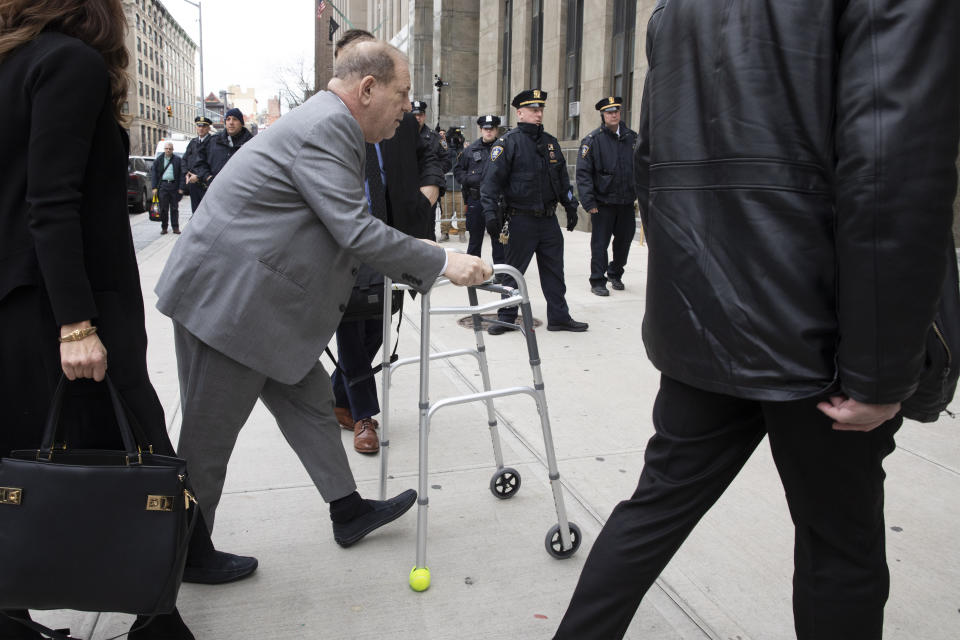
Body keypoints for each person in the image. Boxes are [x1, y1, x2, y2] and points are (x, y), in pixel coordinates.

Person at [554, 2, 959, 639]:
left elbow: (652, 167)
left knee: (653, 512)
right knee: (839, 550)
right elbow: (894, 176)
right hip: (821, 337)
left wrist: (691, 298)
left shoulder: (675, 10)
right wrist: (879, 374)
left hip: (707, 321)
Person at [155, 41, 491, 550]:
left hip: (261, 307)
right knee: (206, 442)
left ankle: (347, 510)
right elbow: (354, 232)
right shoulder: (327, 126)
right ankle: (179, 559)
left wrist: (415, 246)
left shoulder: (330, 121)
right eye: (401, 95)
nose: (407, 108)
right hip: (227, 305)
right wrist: (443, 261)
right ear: (368, 89)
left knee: (312, 404)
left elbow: (335, 223)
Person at [0, 1, 255, 639]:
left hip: (24, 298)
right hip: (68, 303)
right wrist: (77, 325)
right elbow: (52, 202)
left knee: (38, 457)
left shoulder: (15, 63)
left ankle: (176, 568)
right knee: (132, 446)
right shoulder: (70, 63)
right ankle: (162, 607)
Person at [329, 29, 445, 453]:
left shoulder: (396, 116)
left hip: (392, 240)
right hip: (346, 246)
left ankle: (339, 397)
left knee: (376, 333)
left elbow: (430, 154)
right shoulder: (332, 121)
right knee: (350, 331)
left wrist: (426, 196)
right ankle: (364, 417)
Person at [481, 89, 588, 335]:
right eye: (533, 109)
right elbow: (490, 184)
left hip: (548, 221)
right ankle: (507, 317)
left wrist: (570, 206)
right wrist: (489, 214)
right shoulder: (507, 143)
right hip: (521, 220)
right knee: (513, 274)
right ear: (519, 113)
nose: (538, 113)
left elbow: (562, 179)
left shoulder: (550, 142)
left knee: (554, 272)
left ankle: (559, 317)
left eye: (540, 109)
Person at [575, 97, 637, 296]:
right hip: (603, 203)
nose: (614, 114)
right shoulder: (592, 140)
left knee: (624, 241)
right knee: (600, 244)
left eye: (616, 111)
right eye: (609, 112)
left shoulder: (633, 138)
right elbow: (583, 173)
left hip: (627, 202)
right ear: (603, 115)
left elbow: (643, 168)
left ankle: (615, 273)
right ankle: (597, 280)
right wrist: (588, 201)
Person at [455, 115, 505, 264]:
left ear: (496, 130)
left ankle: (501, 273)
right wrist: (470, 180)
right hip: (476, 200)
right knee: (475, 239)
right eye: (485, 129)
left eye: (492, 129)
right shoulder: (470, 150)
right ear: (481, 130)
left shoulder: (504, 147)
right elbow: (458, 170)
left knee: (499, 240)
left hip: (497, 201)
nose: (488, 132)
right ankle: (473, 270)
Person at [411, 101, 450, 240]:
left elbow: (447, 161)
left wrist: (432, 175)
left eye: (420, 115)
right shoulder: (400, 135)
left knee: (427, 229)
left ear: (425, 116)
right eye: (414, 115)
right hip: (407, 189)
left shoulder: (435, 137)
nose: (417, 118)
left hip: (428, 189)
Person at [195, 107, 251, 188]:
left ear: (241, 123)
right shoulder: (213, 141)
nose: (231, 123)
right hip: (215, 190)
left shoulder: (250, 143)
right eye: (228, 119)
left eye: (235, 119)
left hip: (240, 192)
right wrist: (208, 177)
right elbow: (200, 162)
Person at [180, 115, 213, 212]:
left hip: (205, 183)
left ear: (208, 128)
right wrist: (186, 173)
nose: (201, 128)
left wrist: (198, 176)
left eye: (204, 126)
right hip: (193, 184)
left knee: (206, 212)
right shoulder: (193, 142)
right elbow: (184, 159)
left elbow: (211, 163)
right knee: (195, 211)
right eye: (199, 126)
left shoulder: (212, 142)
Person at [152, 141, 183, 234]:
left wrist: (181, 187)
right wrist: (154, 187)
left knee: (174, 208)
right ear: (164, 149)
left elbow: (182, 174)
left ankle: (175, 227)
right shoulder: (159, 160)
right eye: (166, 148)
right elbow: (154, 174)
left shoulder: (177, 160)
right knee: (163, 209)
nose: (168, 150)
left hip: (174, 186)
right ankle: (164, 227)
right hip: (163, 186)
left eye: (170, 149)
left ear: (173, 150)